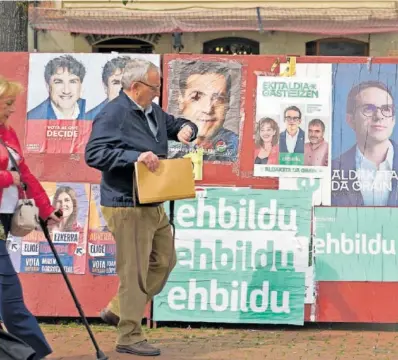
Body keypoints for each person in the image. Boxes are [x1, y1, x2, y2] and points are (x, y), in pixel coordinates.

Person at [84, 58, 198, 357]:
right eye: (154, 86)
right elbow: (95, 154)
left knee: (164, 262)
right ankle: (130, 336)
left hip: (153, 199)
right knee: (133, 273)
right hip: (126, 203)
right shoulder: (114, 114)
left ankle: (119, 309)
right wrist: (134, 156)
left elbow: (174, 124)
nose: (158, 92)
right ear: (135, 87)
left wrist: (187, 128)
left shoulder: (152, 110)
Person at [0, 76, 61, 359]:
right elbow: (12, 176)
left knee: (8, 294)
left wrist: (46, 210)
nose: (11, 110)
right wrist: (5, 178)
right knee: (9, 294)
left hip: (4, 220)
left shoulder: (7, 133)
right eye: (8, 103)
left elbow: (25, 176)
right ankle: (32, 353)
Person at [332, 80, 398, 206]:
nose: (379, 116)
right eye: (368, 109)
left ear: (393, 121)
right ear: (350, 120)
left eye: (386, 109)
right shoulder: (332, 170)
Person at [168, 60, 239, 162]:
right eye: (196, 97)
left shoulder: (238, 148)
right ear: (181, 102)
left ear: (227, 104)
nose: (208, 109)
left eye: (218, 99)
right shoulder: (164, 144)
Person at [27, 55, 87, 120]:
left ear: (81, 85)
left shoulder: (92, 115)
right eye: (59, 82)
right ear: (48, 86)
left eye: (72, 81)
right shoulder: (32, 118)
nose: (66, 91)